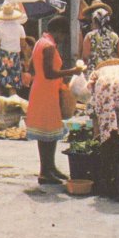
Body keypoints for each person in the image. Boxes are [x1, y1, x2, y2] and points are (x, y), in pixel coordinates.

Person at [26, 16, 85, 185]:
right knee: (47, 134)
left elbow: (31, 67)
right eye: (63, 35)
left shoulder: (40, 42)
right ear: (58, 32)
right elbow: (49, 73)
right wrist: (72, 71)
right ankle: (45, 171)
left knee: (49, 133)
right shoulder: (49, 46)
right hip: (46, 92)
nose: (63, 39)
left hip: (41, 90)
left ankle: (49, 168)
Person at [86, 59, 119, 197]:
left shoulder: (97, 72)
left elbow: (92, 99)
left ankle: (105, 180)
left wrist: (100, 132)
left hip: (105, 87)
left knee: (107, 133)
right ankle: (118, 175)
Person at [0, 3, 27, 97]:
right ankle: (12, 104)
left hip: (2, 57)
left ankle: (0, 106)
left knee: (0, 84)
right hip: (15, 57)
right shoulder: (20, 27)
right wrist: (26, 59)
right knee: (12, 85)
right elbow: (23, 45)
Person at [81, 2, 119, 77]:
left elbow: (85, 57)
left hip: (94, 73)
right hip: (110, 73)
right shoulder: (114, 36)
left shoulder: (89, 36)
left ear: (94, 21)